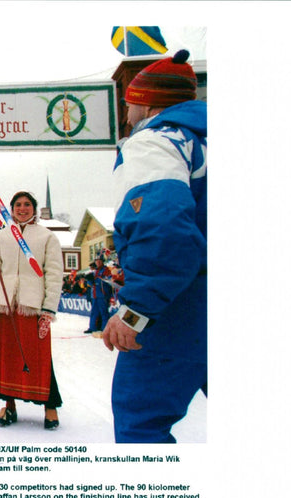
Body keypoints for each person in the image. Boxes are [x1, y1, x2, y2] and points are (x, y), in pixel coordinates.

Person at [101, 50, 207, 443]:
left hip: (183, 305)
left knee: (141, 424)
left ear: (143, 101)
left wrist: (136, 311)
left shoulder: (155, 141)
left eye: (128, 99)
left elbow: (162, 230)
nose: (126, 108)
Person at [0, 191, 64, 430]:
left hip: (33, 306)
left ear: (34, 209)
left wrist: (48, 308)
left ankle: (50, 407)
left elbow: (55, 274)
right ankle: (9, 406)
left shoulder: (47, 237)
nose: (23, 208)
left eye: (27, 204)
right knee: (6, 357)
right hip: (3, 306)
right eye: (18, 204)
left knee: (37, 357)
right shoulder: (1, 237)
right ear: (12, 208)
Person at [85, 255, 113, 335]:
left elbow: (108, 280)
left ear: (102, 261)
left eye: (99, 261)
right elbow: (90, 284)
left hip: (102, 294)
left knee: (103, 312)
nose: (98, 262)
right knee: (94, 312)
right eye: (96, 261)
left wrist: (99, 280)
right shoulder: (95, 271)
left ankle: (104, 328)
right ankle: (92, 327)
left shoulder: (106, 270)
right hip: (94, 295)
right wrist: (89, 280)